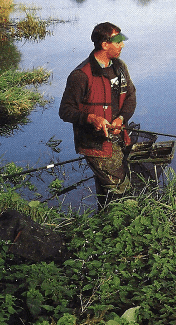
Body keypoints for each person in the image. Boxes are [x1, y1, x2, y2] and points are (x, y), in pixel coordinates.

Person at [59, 22, 136, 210]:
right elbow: (65, 110)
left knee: (107, 187)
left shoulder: (119, 66)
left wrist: (121, 119)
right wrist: (91, 118)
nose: (122, 45)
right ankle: (123, 222)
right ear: (104, 44)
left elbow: (131, 97)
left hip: (119, 136)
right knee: (121, 191)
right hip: (95, 143)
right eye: (117, 41)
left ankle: (105, 219)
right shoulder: (80, 75)